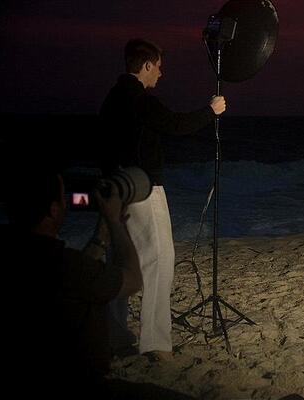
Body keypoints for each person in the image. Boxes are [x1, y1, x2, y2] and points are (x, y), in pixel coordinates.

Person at [99, 38, 226, 360]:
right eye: (158, 66)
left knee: (120, 260)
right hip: (143, 188)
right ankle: (155, 342)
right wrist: (210, 111)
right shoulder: (140, 100)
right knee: (159, 260)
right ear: (146, 65)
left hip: (115, 187)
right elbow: (176, 125)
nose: (161, 73)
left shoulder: (111, 98)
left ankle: (116, 336)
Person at [0, 166, 141, 396]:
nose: (68, 203)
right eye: (63, 198)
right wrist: (115, 224)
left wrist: (100, 239)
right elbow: (133, 279)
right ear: (53, 209)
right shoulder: (67, 265)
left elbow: (66, 279)